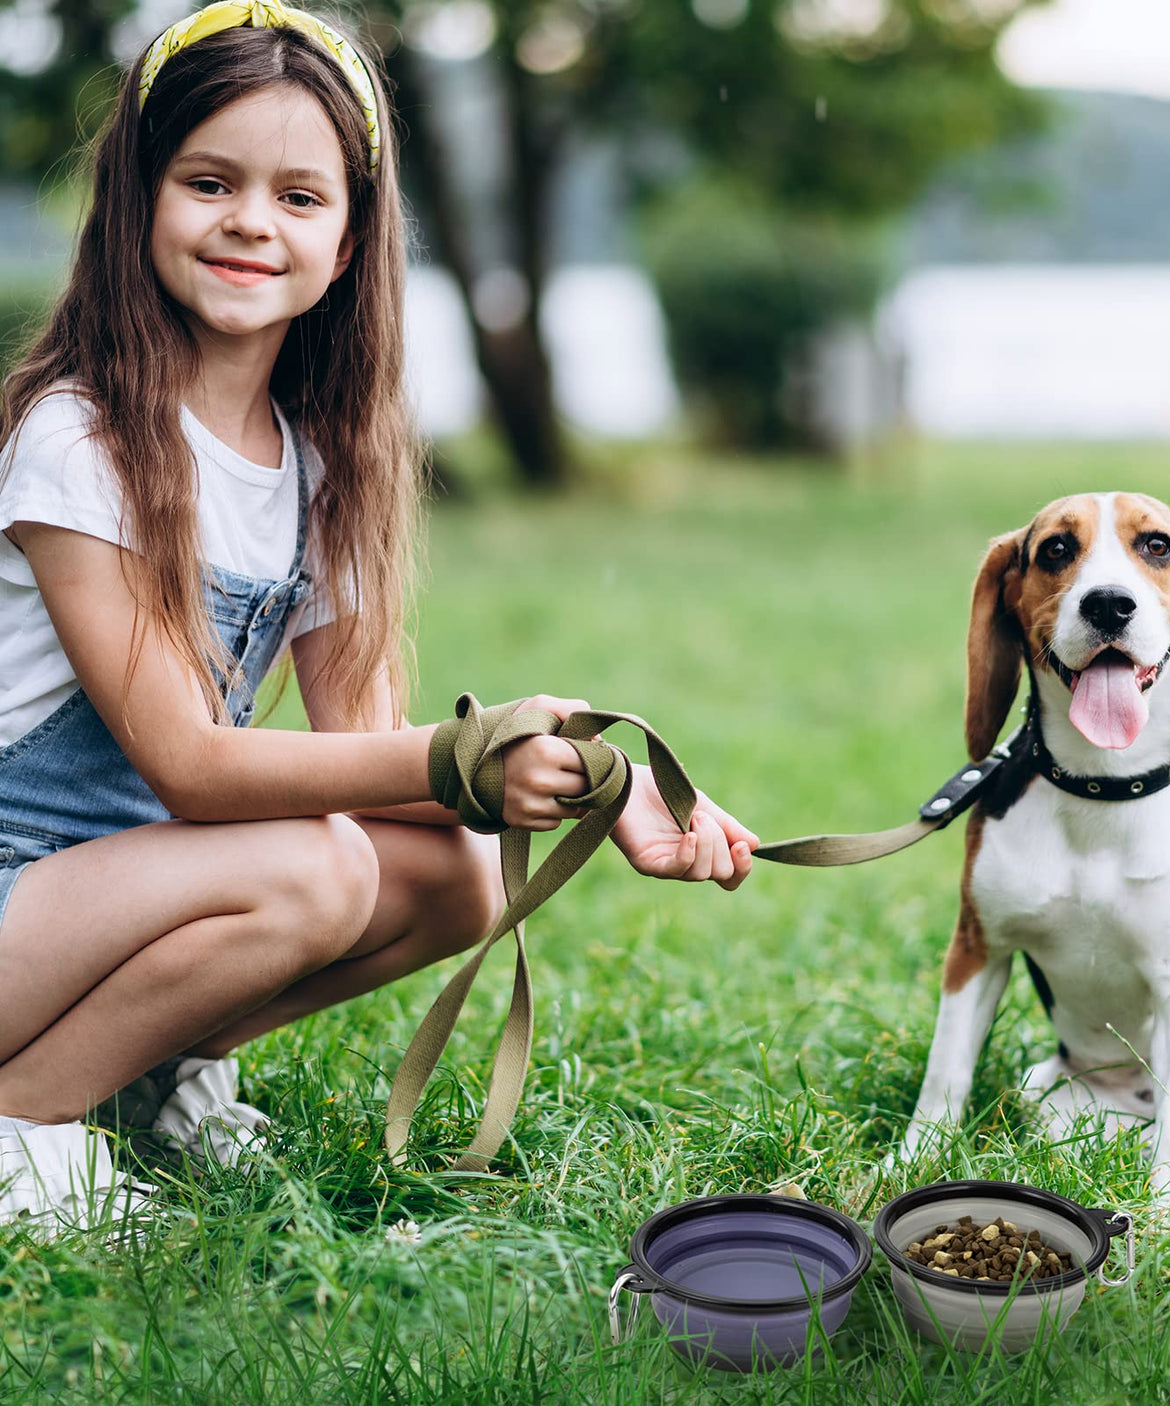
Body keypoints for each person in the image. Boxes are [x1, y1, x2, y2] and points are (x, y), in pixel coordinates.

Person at [0, 1, 757, 1239]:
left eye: (301, 197)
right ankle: (23, 1121)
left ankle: (139, 1078)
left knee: (447, 874)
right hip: (19, 887)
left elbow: (368, 747)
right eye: (209, 181)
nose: (252, 220)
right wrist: (466, 754)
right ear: (139, 198)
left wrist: (604, 783)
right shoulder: (78, 438)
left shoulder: (321, 460)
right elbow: (190, 767)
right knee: (314, 863)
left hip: (114, 899)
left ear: (350, 242)